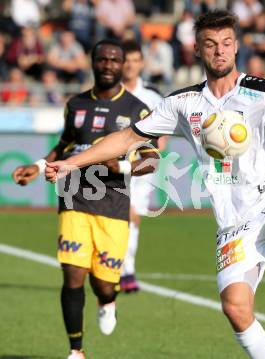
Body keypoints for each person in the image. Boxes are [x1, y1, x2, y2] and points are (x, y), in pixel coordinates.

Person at [45, 10, 265, 358]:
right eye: (210, 44)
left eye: (227, 43)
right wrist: (70, 163)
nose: (219, 51)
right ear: (197, 49)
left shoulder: (263, 93)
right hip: (235, 223)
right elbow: (126, 138)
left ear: (237, 46)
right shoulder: (183, 103)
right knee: (236, 309)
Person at [12, 39, 158, 359]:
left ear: (123, 66)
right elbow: (65, 146)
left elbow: (152, 160)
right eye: (102, 59)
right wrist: (38, 167)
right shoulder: (75, 104)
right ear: (92, 63)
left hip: (113, 202)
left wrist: (117, 164)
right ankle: (76, 351)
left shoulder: (137, 110)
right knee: (72, 272)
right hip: (73, 195)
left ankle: (108, 301)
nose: (108, 65)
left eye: (115, 60)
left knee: (104, 284)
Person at [120, 40, 163, 292]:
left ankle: (127, 269)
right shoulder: (112, 91)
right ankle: (122, 269)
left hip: (143, 163)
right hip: (115, 164)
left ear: (141, 63)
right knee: (122, 214)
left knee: (133, 215)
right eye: (127, 60)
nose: (131, 65)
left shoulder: (151, 96)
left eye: (135, 60)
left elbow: (165, 126)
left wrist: (158, 147)